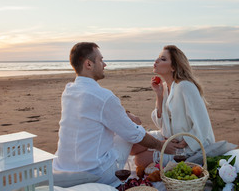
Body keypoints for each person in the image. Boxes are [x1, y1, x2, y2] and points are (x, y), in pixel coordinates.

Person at [52, 42, 180, 187]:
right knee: (132, 128)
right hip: (96, 174)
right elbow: (133, 134)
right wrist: (160, 145)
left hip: (63, 169)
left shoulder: (69, 91)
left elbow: (98, 111)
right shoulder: (103, 97)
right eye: (100, 60)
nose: (104, 64)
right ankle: (117, 179)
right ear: (88, 64)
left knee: (122, 124)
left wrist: (126, 115)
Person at [133, 45, 215, 167]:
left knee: (139, 160)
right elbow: (160, 124)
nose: (156, 61)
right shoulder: (165, 87)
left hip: (189, 145)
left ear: (173, 67)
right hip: (169, 137)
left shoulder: (185, 86)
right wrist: (159, 95)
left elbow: (203, 124)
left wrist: (184, 142)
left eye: (163, 59)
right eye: (158, 58)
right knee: (133, 145)